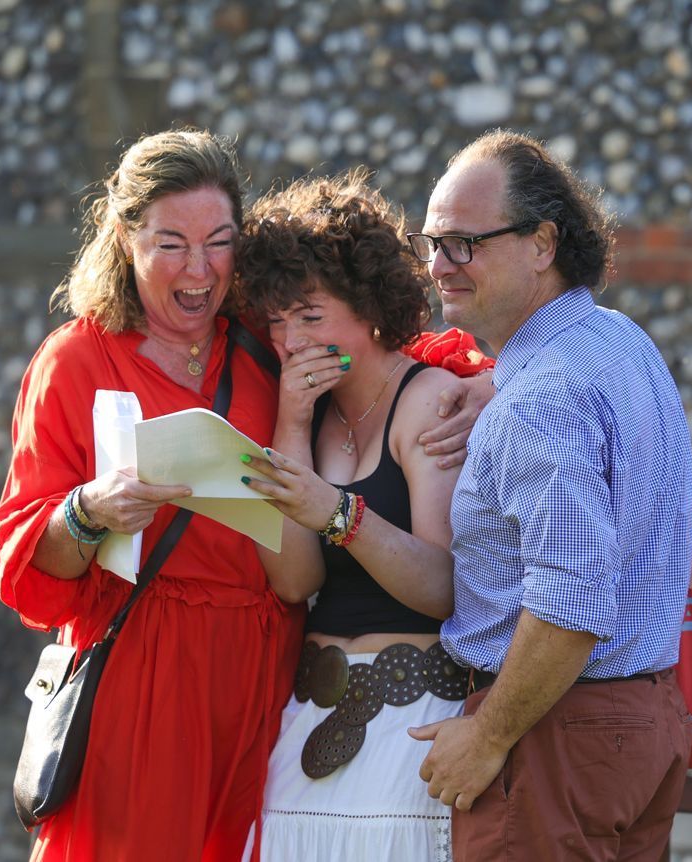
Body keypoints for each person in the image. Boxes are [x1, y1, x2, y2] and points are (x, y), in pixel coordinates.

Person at [0, 129, 493, 862]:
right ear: (124, 237)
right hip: (148, 677)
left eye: (218, 241)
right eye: (170, 243)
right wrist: (89, 511)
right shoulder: (78, 358)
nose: (198, 269)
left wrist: (482, 382)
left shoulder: (259, 336)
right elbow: (25, 556)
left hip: (268, 680)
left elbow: (372, 343)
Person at [406, 129, 692, 862]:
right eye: (431, 242)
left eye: (464, 244)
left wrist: (489, 735)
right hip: (640, 722)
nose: (439, 265)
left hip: (552, 737)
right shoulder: (618, 339)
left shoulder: (540, 398)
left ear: (541, 243)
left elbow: (570, 602)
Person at [236, 170, 470, 861]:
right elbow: (290, 581)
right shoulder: (305, 415)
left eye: (311, 316)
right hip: (308, 716)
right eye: (276, 322)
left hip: (413, 718)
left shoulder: (427, 400)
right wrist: (290, 421)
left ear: (369, 307)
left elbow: (444, 587)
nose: (292, 342)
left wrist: (337, 512)